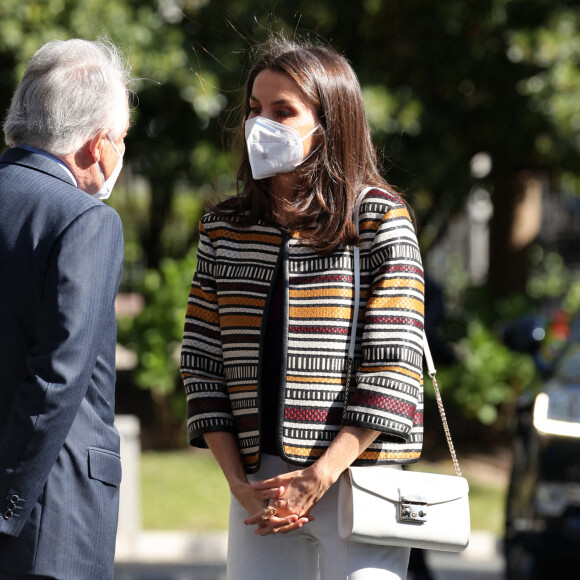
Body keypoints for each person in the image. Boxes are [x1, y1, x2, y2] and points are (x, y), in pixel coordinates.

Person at [181, 36, 424, 580]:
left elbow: (393, 364)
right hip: (259, 486)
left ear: (329, 121)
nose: (260, 124)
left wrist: (319, 476)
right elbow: (201, 362)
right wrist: (238, 485)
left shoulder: (378, 221)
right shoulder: (225, 227)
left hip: (358, 477)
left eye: (282, 111)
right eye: (254, 110)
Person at [0, 38, 132, 580]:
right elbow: (58, 378)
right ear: (97, 145)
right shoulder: (86, 220)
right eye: (121, 139)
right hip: (48, 521)